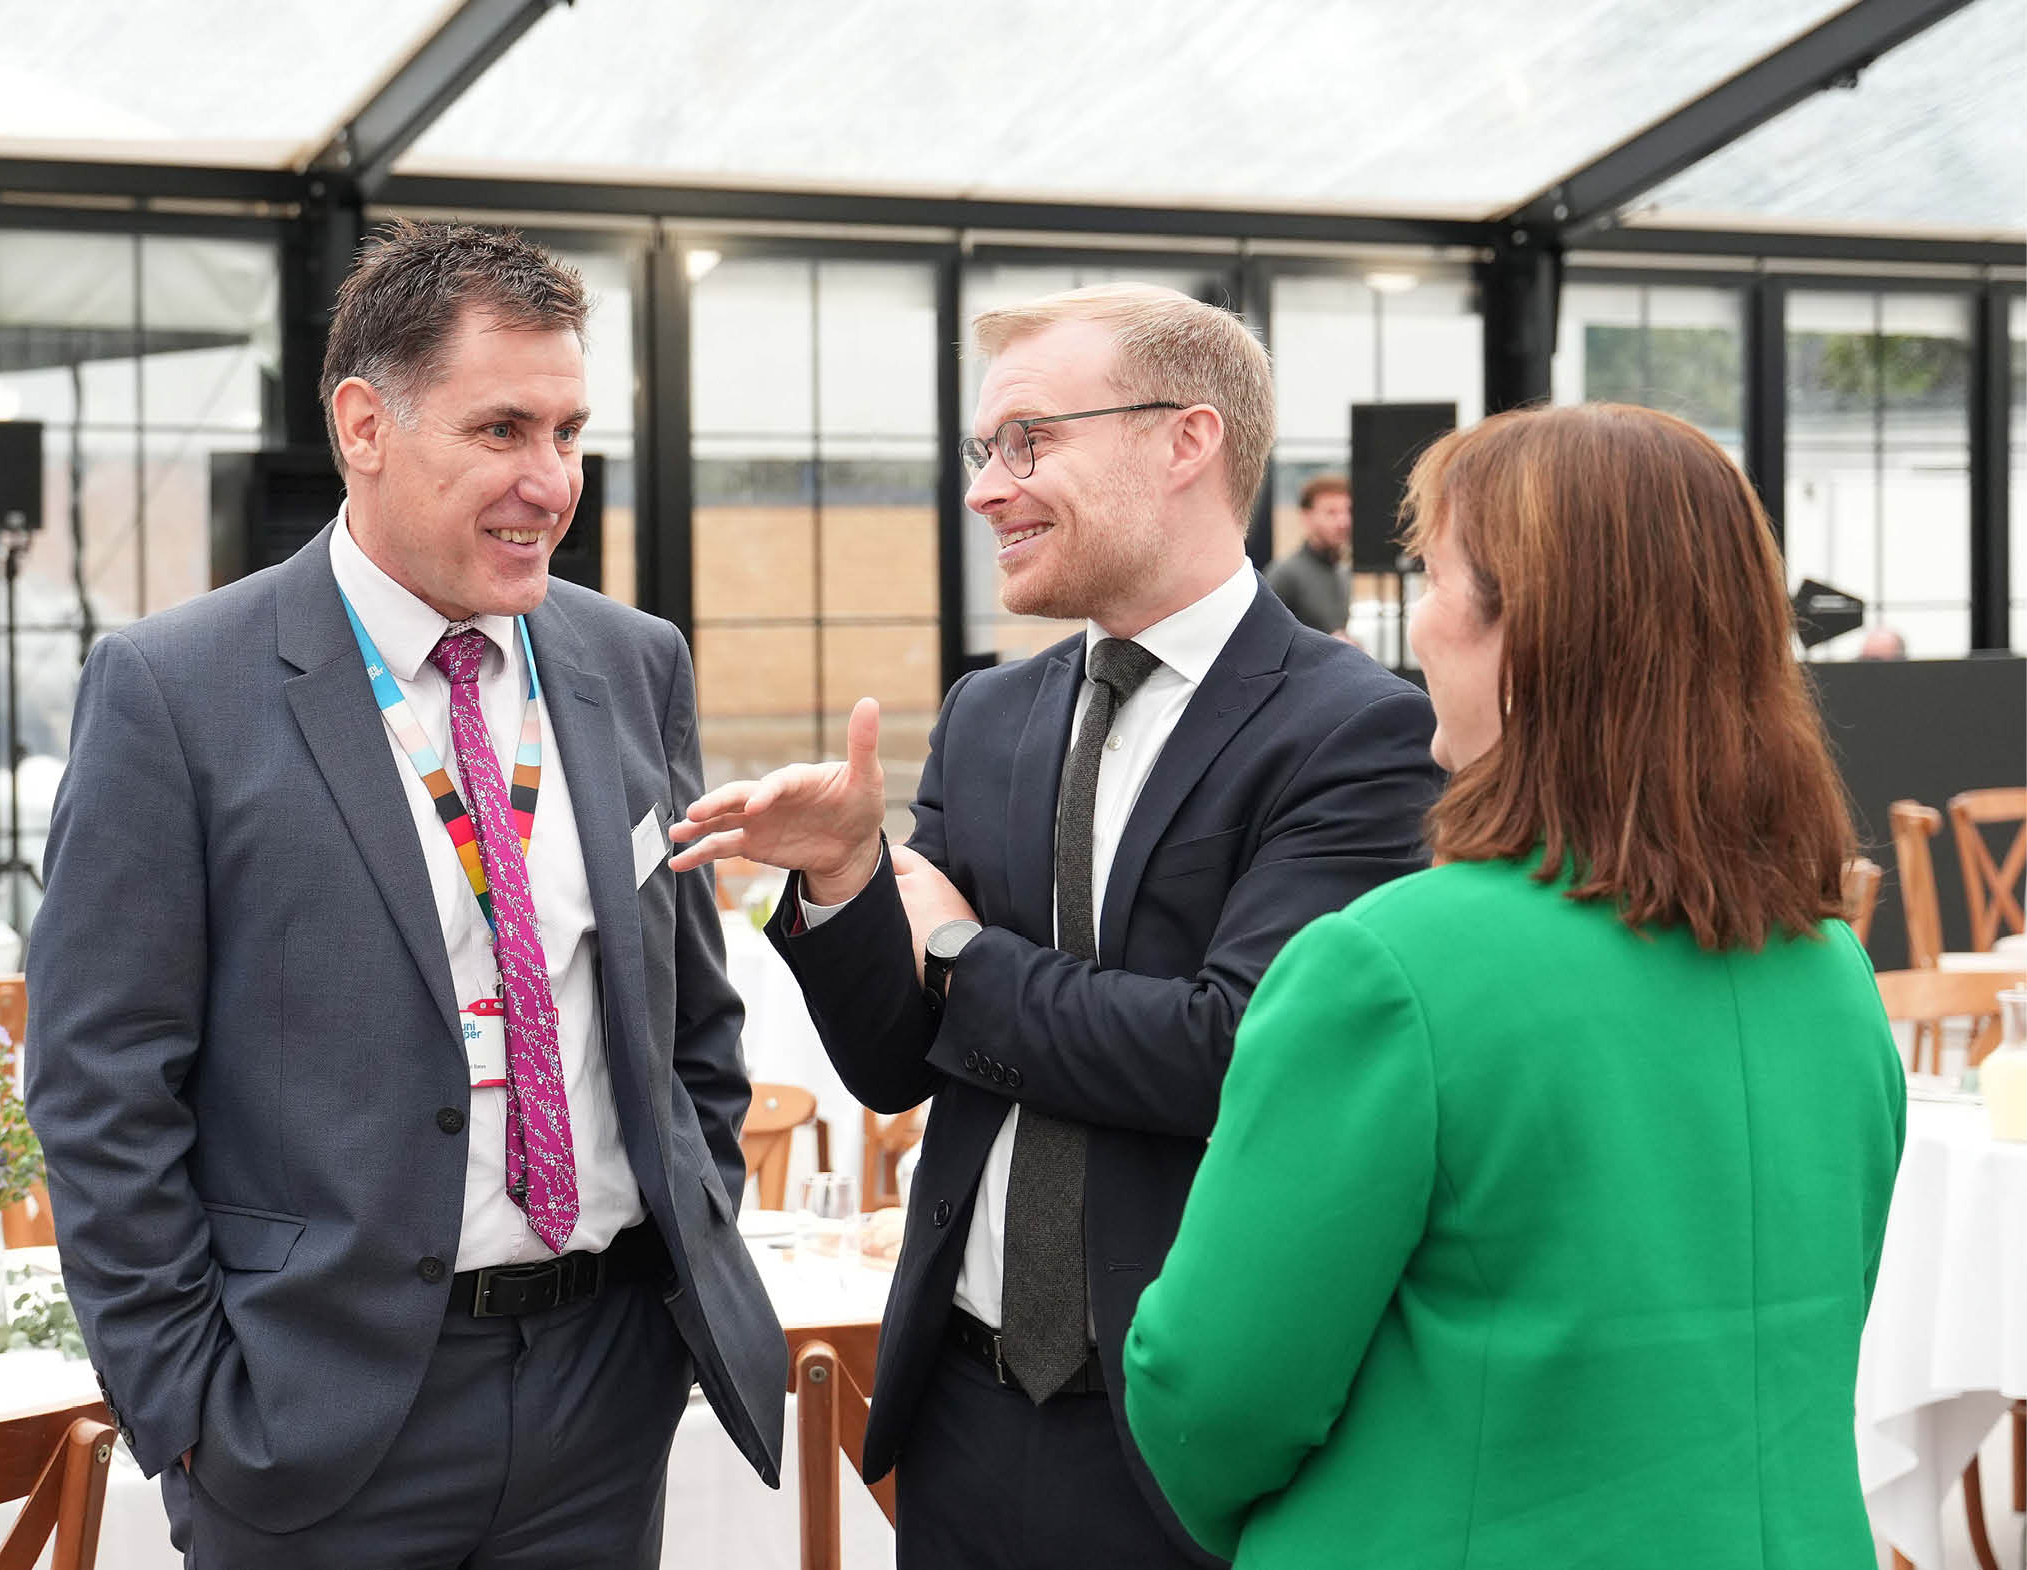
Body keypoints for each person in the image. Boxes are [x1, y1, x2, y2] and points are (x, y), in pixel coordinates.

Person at [24, 221, 784, 1569]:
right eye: (502, 429)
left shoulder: (631, 659)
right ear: (365, 424)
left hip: (599, 1395)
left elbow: (687, 1023)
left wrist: (676, 1261)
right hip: (313, 1416)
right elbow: (99, 1081)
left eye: (568, 430)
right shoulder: (175, 689)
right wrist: (191, 1402)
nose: (552, 481)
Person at [668, 284, 1441, 1567]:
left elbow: (1234, 1053)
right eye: (983, 452)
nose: (986, 490)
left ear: (1185, 441)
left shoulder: (1351, 730)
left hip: (1187, 1430)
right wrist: (851, 880)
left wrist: (963, 952)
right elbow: (895, 1061)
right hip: (961, 1413)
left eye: (1028, 442)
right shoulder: (992, 715)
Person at [1124, 403, 1905, 1567]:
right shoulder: (1833, 968)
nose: (1417, 631)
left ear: (1528, 635)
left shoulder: (1386, 972)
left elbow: (1211, 1393)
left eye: (1434, 580)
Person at [1264, 470, 1351, 635]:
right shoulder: (1285, 574)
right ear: (1306, 517)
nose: (1343, 521)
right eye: (1331, 512)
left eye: (1347, 511)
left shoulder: (1342, 572)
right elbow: (1264, 635)